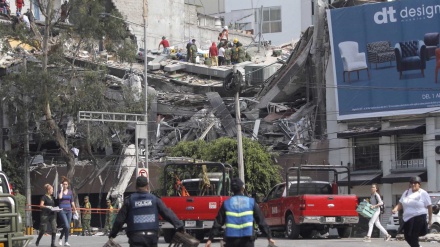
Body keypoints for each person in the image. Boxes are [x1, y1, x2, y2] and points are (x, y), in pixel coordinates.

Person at [108, 176, 184, 247]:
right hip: (151, 238)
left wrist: (113, 234)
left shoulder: (129, 201)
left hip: (136, 238)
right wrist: (179, 226)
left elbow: (119, 220)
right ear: (147, 186)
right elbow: (167, 213)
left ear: (136, 187)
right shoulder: (155, 199)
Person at [205, 178, 275, 247]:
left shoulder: (226, 203)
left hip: (231, 240)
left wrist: (210, 239)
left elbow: (218, 223)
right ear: (242, 188)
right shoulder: (251, 202)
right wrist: (269, 237)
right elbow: (261, 221)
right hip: (247, 240)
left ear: (232, 190)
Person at [392, 176, 432, 247]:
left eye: (415, 183)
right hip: (407, 218)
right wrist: (395, 209)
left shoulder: (423, 193)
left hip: (419, 217)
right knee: (407, 237)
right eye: (411, 183)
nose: (413, 184)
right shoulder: (406, 192)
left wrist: (430, 220)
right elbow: (400, 203)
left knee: (414, 236)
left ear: (419, 184)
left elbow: (429, 206)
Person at [58, 176, 78, 246]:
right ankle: (60, 238)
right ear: (62, 184)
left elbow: (72, 202)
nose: (65, 185)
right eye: (64, 184)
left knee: (67, 226)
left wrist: (75, 210)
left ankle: (66, 241)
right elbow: (60, 197)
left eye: (66, 184)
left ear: (68, 185)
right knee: (66, 225)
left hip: (69, 210)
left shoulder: (70, 192)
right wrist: (61, 189)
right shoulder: (60, 191)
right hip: (62, 210)